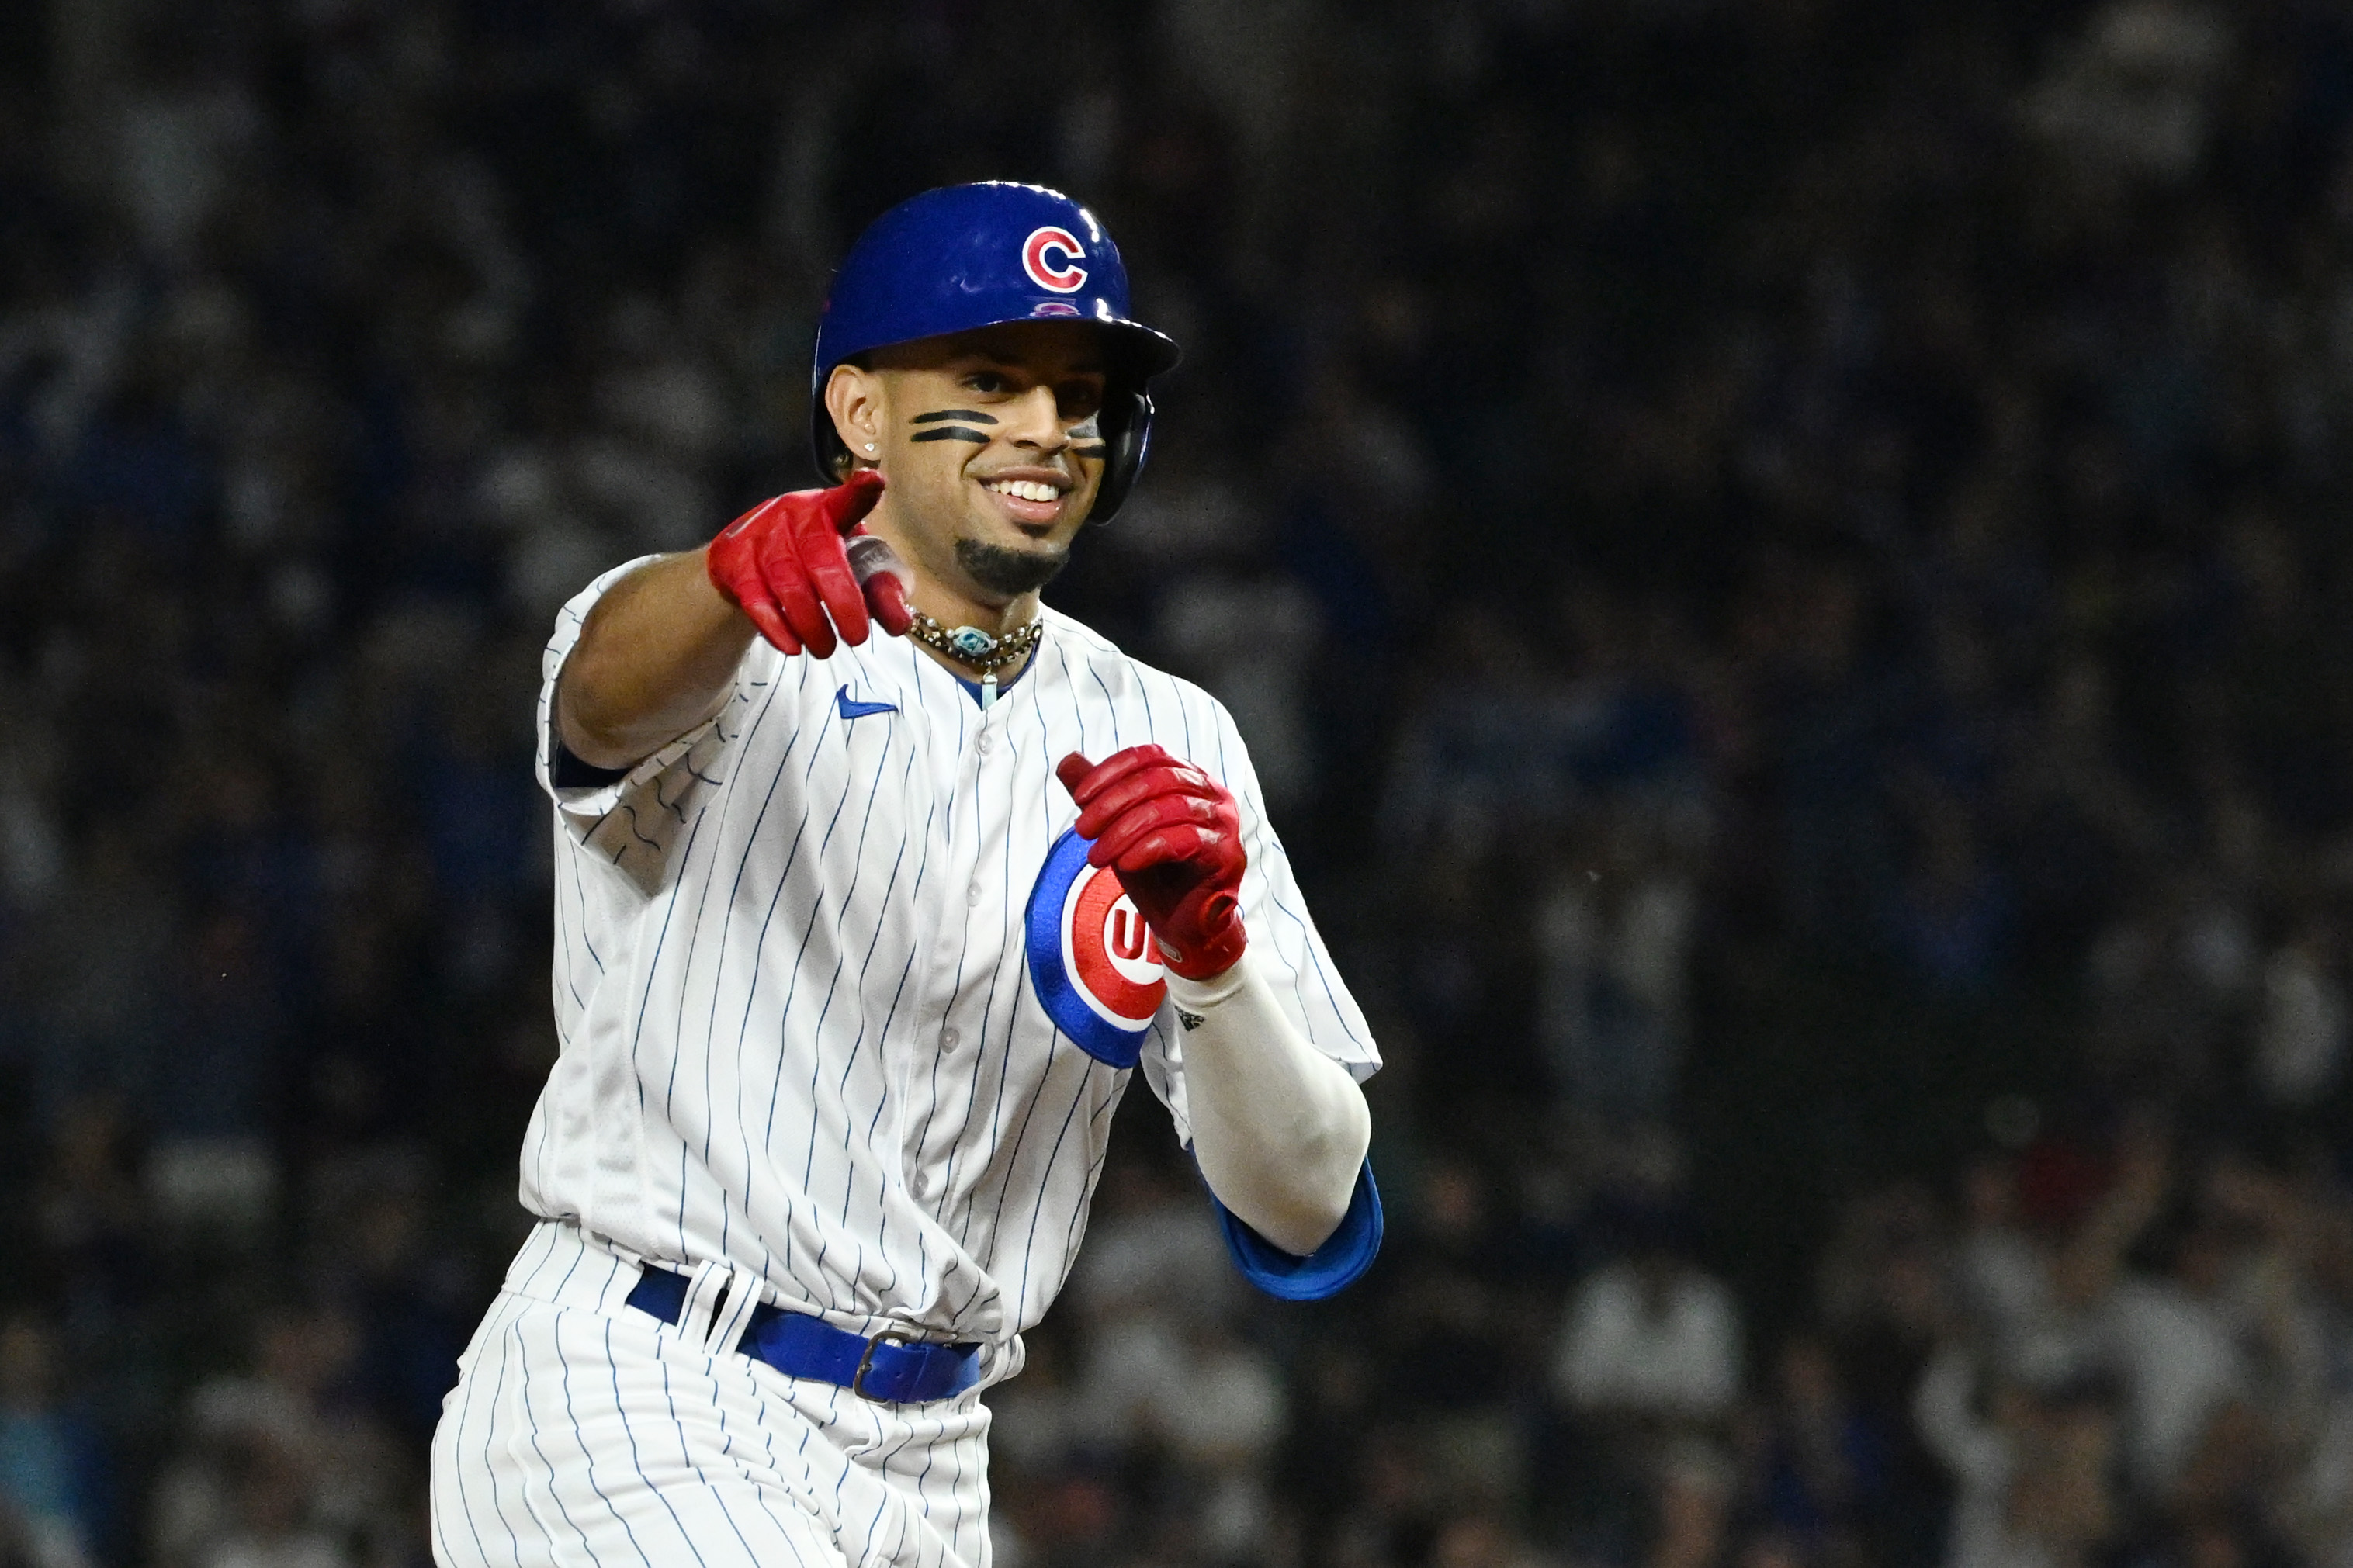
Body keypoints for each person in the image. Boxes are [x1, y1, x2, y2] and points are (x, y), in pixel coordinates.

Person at [427, 182, 1382, 1568]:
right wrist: (714, 582)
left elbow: (1307, 1199)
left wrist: (1216, 963)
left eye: (1081, 389)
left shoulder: (1174, 734)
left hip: (933, 1467)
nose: (1047, 429)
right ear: (860, 411)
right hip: (643, 1383)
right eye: (990, 377)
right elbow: (595, 704)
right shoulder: (725, 635)